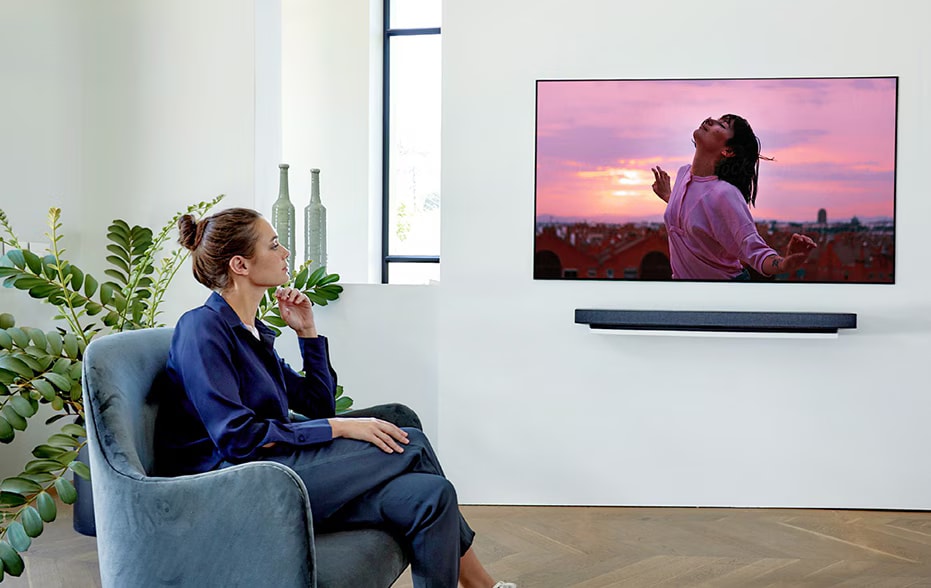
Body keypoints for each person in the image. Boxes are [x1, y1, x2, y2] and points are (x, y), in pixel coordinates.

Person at [154, 207, 515, 588]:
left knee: (432, 494)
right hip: (235, 485)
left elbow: (318, 405)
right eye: (274, 244)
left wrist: (308, 334)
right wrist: (341, 428)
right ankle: (481, 586)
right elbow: (237, 438)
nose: (285, 253)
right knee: (414, 443)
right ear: (241, 264)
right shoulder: (201, 329)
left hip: (278, 467)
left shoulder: (254, 331)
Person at [651, 114, 817, 280]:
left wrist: (784, 264)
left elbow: (754, 249)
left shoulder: (725, 194)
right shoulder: (683, 174)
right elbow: (693, 212)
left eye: (722, 125)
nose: (709, 120)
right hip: (686, 294)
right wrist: (669, 196)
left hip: (724, 294)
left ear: (728, 151)